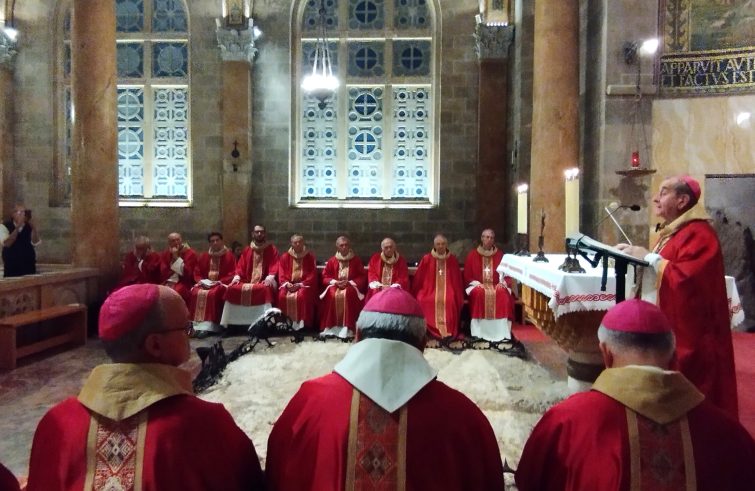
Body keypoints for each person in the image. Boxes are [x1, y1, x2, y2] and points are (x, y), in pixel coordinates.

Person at [26, 284, 265, 490]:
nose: (190, 335)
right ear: (155, 345)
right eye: (186, 328)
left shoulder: (55, 425)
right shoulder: (204, 425)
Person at [267, 287, 505, 490]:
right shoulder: (463, 417)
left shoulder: (308, 404)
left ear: (357, 335)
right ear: (423, 343)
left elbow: (275, 473)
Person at [516, 299, 755, 491]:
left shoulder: (565, 423)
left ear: (606, 354)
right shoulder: (730, 435)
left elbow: (529, 481)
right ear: (673, 356)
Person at [615, 175, 738, 419]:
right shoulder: (674, 232)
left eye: (663, 192)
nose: (655, 198)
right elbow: (664, 267)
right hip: (668, 324)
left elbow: (687, 280)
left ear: (682, 201)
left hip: (691, 333)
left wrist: (649, 258)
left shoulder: (699, 234)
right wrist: (638, 257)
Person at [464, 228, 517, 341]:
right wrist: (477, 284)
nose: (489, 240)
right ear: (482, 238)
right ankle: (479, 333)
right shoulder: (472, 255)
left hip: (496, 285)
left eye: (492, 238)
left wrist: (502, 283)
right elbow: (467, 276)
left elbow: (506, 274)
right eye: (487, 237)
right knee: (478, 292)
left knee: (502, 292)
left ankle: (502, 333)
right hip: (479, 286)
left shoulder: (500, 255)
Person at [222, 224, 279, 327]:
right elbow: (240, 266)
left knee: (265, 289)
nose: (259, 234)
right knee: (231, 289)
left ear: (265, 234)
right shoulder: (247, 250)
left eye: (261, 232)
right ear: (253, 234)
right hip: (247, 280)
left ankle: (266, 323)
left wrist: (269, 278)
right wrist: (237, 278)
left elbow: (274, 265)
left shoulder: (271, 249)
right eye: (257, 232)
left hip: (264, 280)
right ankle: (232, 323)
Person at [411, 234, 464, 339]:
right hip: (429, 290)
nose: (440, 246)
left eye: (443, 244)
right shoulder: (427, 259)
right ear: (434, 245)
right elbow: (419, 279)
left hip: (448, 290)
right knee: (423, 299)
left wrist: (456, 293)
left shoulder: (452, 260)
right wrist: (419, 291)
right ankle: (428, 330)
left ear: (446, 245)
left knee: (450, 300)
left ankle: (447, 330)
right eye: (438, 244)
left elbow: (456, 280)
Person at [189, 231, 236, 338]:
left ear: (222, 241)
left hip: (221, 284)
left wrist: (219, 282)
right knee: (195, 292)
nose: (215, 243)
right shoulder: (204, 256)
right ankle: (196, 327)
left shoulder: (229, 256)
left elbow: (233, 273)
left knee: (212, 294)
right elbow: (197, 272)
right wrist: (200, 281)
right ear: (209, 243)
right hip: (206, 283)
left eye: (217, 240)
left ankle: (210, 327)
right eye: (212, 241)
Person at [319, 235, 367, 338]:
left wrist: (349, 283)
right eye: (341, 245)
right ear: (337, 247)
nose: (344, 247)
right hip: (335, 285)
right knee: (332, 294)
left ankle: (348, 326)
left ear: (349, 246)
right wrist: (335, 282)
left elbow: (362, 276)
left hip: (350, 286)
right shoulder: (332, 260)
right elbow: (325, 276)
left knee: (348, 293)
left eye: (346, 245)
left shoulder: (356, 260)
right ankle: (331, 326)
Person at [277, 234, 318, 330]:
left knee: (302, 295)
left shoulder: (310, 257)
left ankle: (303, 324)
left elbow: (312, 274)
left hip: (304, 285)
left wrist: (300, 284)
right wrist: (286, 283)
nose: (298, 244)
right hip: (289, 284)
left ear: (303, 243)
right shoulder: (285, 257)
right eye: (295, 242)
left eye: (300, 242)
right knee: (282, 295)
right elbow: (281, 272)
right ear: (291, 243)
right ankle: (284, 324)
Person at [1, 204, 40, 277]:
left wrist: (34, 227)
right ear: (13, 214)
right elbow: (7, 243)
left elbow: (35, 242)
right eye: (20, 212)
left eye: (24, 212)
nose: (22, 215)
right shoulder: (4, 226)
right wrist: (18, 226)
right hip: (12, 265)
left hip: (28, 264)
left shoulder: (29, 226)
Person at [158, 232, 197, 306]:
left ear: (181, 240)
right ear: (169, 243)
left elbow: (187, 273)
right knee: (158, 293)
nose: (176, 242)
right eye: (173, 241)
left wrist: (176, 257)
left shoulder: (190, 253)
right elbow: (163, 271)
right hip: (167, 281)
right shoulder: (165, 253)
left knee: (174, 293)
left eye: (178, 240)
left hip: (183, 282)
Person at [365, 237, 410, 302]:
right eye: (386, 247)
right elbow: (372, 273)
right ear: (382, 248)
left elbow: (403, 277)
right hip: (379, 287)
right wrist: (379, 285)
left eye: (391, 247)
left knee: (397, 295)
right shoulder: (375, 258)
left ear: (394, 247)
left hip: (394, 288)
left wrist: (393, 286)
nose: (389, 249)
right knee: (374, 292)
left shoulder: (400, 260)